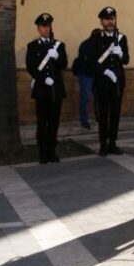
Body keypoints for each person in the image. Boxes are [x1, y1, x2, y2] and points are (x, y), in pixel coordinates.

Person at [26, 13, 68, 164]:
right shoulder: (32, 46)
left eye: (48, 26)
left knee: (54, 122)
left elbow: (64, 64)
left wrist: (56, 56)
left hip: (56, 90)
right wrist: (44, 79)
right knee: (42, 122)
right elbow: (30, 67)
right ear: (38, 28)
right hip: (42, 90)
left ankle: (52, 150)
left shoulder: (58, 45)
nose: (47, 29)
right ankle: (42, 151)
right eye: (44, 26)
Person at [88, 7, 129, 156]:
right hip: (102, 81)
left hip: (117, 82)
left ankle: (113, 143)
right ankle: (103, 144)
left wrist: (121, 54)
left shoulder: (121, 38)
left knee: (116, 113)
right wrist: (105, 71)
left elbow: (126, 60)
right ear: (101, 21)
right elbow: (92, 61)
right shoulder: (96, 38)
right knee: (103, 113)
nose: (110, 22)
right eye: (106, 19)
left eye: (112, 18)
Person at [72, 29, 99, 130]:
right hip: (85, 74)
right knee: (86, 96)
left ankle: (98, 118)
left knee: (98, 97)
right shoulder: (86, 44)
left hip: (94, 74)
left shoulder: (94, 44)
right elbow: (88, 60)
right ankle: (84, 120)